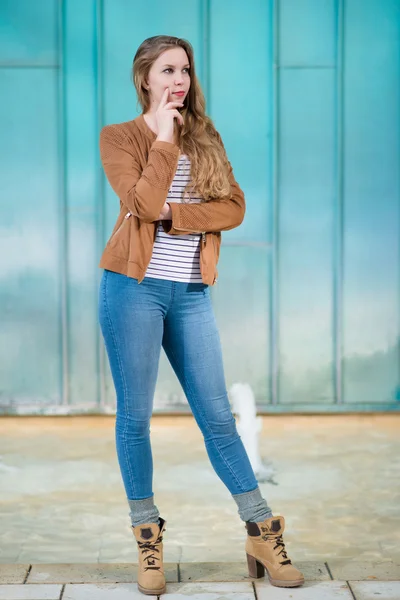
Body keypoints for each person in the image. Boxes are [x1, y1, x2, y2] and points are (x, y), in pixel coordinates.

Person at [98, 35, 304, 596]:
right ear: (145, 78)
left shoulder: (205, 136)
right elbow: (139, 203)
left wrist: (176, 213)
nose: (180, 80)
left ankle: (262, 529)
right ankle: (147, 536)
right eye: (168, 70)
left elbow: (233, 206)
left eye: (185, 69)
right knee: (135, 418)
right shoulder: (120, 137)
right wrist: (163, 138)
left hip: (190, 294)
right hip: (132, 290)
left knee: (216, 418)